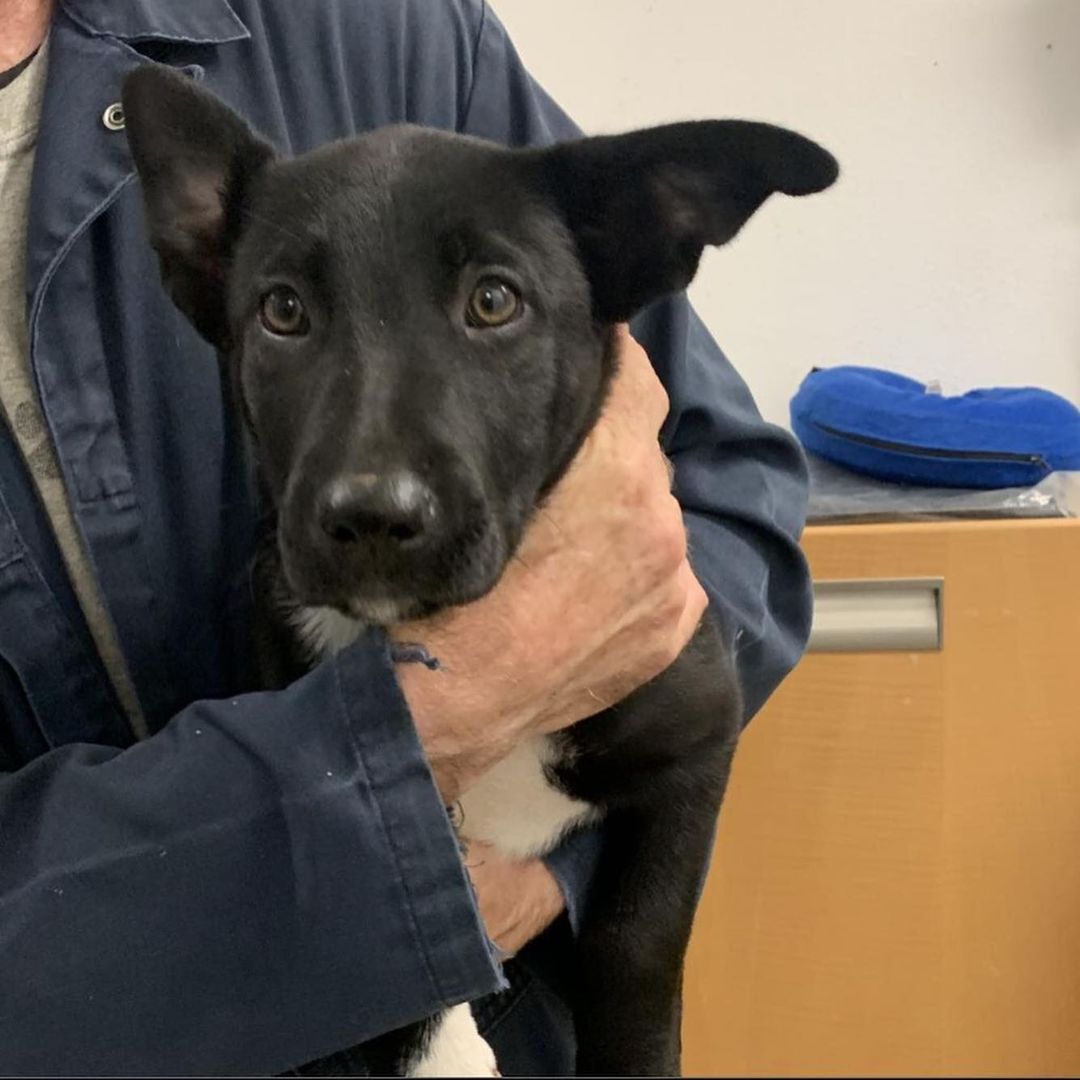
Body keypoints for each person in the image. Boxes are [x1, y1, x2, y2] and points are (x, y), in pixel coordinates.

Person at [0, 0, 813, 1074]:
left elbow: (732, 505)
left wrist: (560, 868)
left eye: (489, 302)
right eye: (285, 314)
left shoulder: (378, 30)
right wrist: (402, 761)